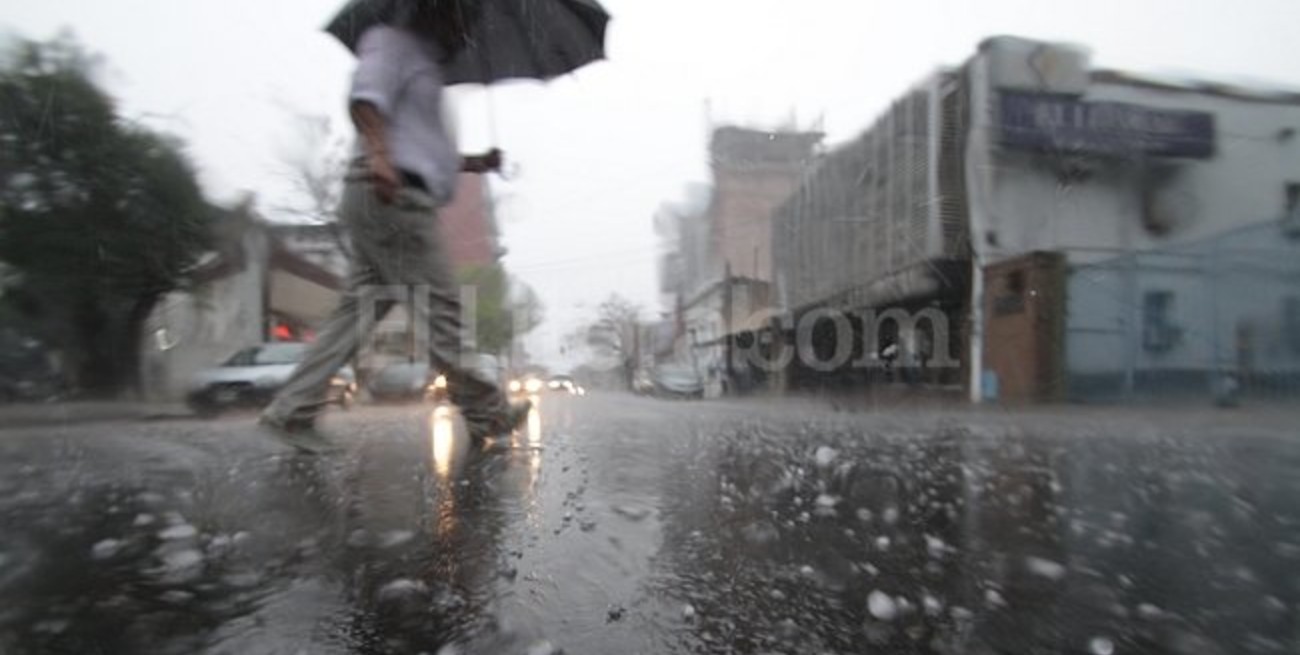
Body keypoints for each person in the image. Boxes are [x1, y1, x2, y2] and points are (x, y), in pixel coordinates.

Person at [260, 2, 529, 452]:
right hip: (392, 195)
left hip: (391, 193)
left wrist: (474, 162)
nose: (468, 29)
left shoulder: (426, 64)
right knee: (441, 308)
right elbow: (366, 96)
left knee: (357, 313)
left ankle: (291, 410)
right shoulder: (393, 41)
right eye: (462, 17)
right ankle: (489, 413)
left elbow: (421, 148)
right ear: (437, 10)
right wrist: (381, 156)